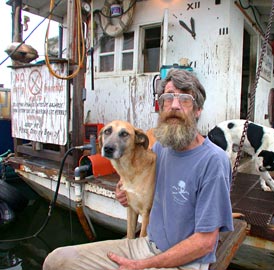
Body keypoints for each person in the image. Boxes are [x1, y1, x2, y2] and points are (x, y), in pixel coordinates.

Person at [43, 69, 233, 270]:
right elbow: (140, 172)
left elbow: (205, 243)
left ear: (198, 110)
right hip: (146, 245)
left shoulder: (213, 161)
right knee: (56, 260)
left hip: (182, 262)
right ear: (160, 107)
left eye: (185, 98)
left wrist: (143, 265)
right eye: (168, 98)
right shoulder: (162, 148)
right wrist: (123, 188)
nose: (175, 105)